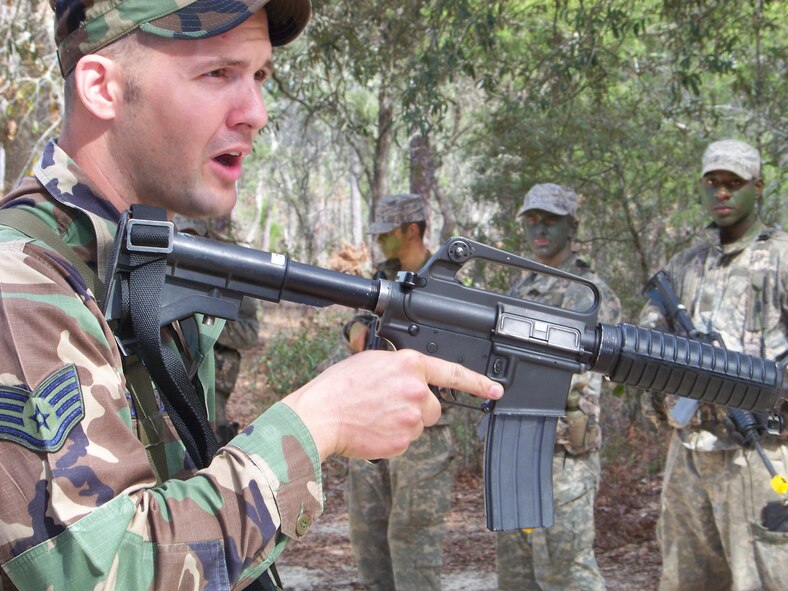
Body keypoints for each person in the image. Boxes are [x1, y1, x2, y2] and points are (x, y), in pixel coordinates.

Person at [0, 3, 504, 590]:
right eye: (218, 73)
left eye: (260, 75)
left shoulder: (127, 259)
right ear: (101, 88)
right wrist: (317, 422)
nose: (256, 113)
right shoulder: (21, 280)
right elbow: (105, 571)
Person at [638, 139, 788, 591]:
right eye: (713, 182)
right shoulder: (685, 266)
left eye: (733, 183)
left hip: (760, 454)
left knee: (765, 577)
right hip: (688, 453)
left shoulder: (781, 256)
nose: (721, 192)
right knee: (684, 579)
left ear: (756, 187)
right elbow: (646, 343)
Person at [495, 183, 621, 591]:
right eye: (532, 220)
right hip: (514, 449)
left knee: (566, 572)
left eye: (550, 220)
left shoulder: (590, 294)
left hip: (562, 456)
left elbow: (572, 371)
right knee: (516, 574)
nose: (539, 228)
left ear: (571, 226)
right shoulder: (522, 289)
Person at [341, 193, 455, 590]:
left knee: (413, 542)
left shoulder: (447, 284)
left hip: (423, 431)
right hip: (371, 419)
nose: (379, 241)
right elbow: (358, 322)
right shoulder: (382, 277)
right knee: (367, 536)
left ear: (411, 230)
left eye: (386, 233)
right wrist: (356, 330)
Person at [172, 214, 261, 446]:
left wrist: (204, 319)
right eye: (181, 236)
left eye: (194, 237)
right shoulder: (159, 267)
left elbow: (250, 333)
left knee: (210, 438)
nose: (187, 244)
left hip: (212, 379)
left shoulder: (227, 276)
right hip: (167, 369)